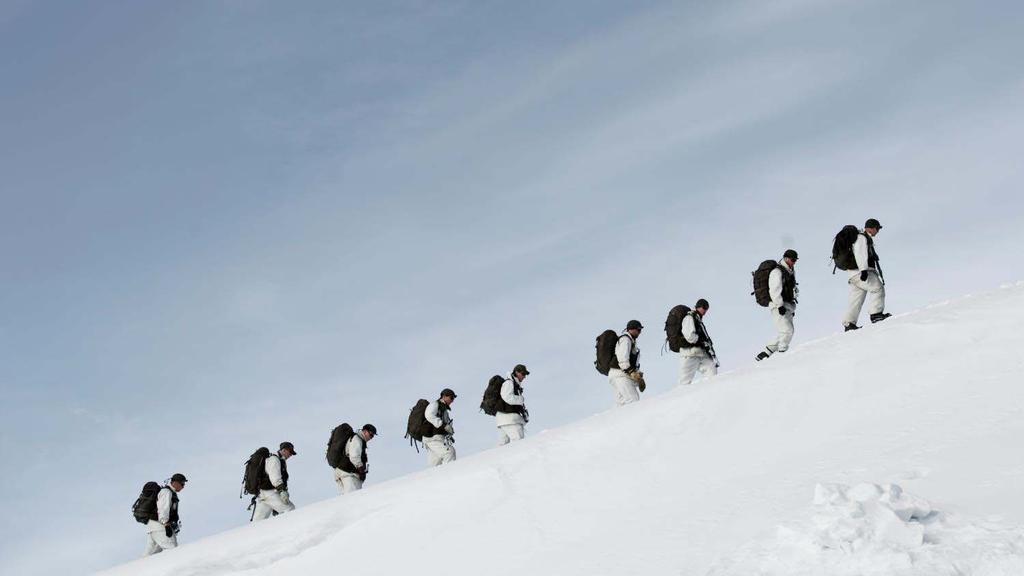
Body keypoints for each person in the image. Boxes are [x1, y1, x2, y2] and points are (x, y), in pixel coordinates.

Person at [844, 218, 891, 331]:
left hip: (853, 274)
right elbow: (861, 254)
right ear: (872, 228)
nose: (878, 231)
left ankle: (849, 323)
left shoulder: (861, 237)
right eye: (877, 229)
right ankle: (876, 314)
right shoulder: (861, 237)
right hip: (861, 272)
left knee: (856, 299)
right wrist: (863, 270)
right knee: (877, 288)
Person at [757, 250, 799, 361]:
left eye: (795, 260)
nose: (794, 262)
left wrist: (792, 307)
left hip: (788, 306)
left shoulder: (789, 271)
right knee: (787, 331)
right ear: (786, 258)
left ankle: (765, 353)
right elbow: (774, 290)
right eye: (792, 260)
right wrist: (779, 305)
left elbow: (792, 290)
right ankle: (782, 356)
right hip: (778, 305)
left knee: (785, 332)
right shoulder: (777, 271)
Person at [252, 442, 297, 521]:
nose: (290, 455)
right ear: (284, 450)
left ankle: (252, 533)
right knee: (290, 509)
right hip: (270, 493)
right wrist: (282, 491)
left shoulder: (279, 460)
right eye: (290, 452)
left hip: (263, 494)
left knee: (258, 521)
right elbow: (275, 478)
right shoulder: (274, 459)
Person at [144, 473, 186, 556]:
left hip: (154, 527)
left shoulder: (169, 492)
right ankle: (177, 568)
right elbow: (163, 508)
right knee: (172, 550)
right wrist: (166, 524)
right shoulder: (167, 492)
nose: (183, 486)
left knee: (150, 555)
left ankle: (137, 568)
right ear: (175, 483)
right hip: (161, 527)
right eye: (182, 484)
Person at [678, 299, 718, 386]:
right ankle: (680, 398)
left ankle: (711, 393)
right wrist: (701, 341)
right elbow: (689, 336)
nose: (705, 310)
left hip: (701, 354)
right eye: (704, 307)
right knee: (684, 382)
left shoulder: (698, 319)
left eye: (707, 308)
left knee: (712, 370)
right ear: (698, 306)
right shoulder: (689, 317)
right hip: (689, 355)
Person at [608, 320, 644, 406]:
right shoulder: (625, 340)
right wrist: (633, 373)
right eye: (638, 330)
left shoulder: (630, 341)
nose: (640, 332)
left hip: (617, 375)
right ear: (631, 329)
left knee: (622, 404)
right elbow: (623, 359)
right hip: (620, 376)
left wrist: (638, 375)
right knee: (633, 401)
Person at [334, 424, 376, 494]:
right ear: (365, 431)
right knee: (352, 499)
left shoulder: (357, 439)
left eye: (373, 436)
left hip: (343, 472)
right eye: (371, 435)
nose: (371, 437)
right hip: (349, 475)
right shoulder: (357, 439)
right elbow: (354, 456)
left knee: (345, 500)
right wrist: (361, 470)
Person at [496, 364, 529, 445]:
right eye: (523, 374)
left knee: (503, 445)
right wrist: (520, 399)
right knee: (518, 442)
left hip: (506, 419)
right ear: (517, 372)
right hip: (509, 419)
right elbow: (506, 396)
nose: (524, 377)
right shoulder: (509, 382)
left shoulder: (515, 384)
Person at [423, 388, 457, 467]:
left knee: (435, 464)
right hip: (432, 438)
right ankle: (449, 474)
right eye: (451, 398)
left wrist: (449, 432)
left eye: (453, 398)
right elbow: (429, 415)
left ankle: (434, 478)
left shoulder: (444, 410)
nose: (452, 400)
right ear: (444, 396)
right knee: (449, 452)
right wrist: (443, 425)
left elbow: (445, 425)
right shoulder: (435, 404)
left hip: (437, 438)